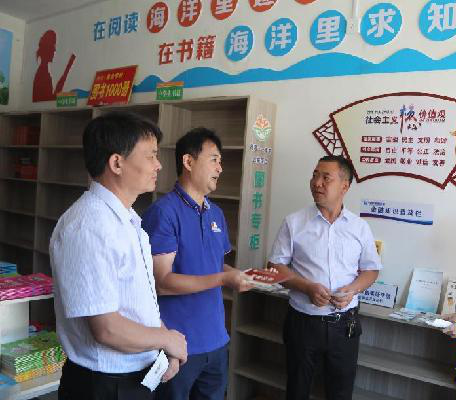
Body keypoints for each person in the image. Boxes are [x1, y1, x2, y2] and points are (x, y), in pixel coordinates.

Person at [50, 112, 187, 400]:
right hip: (103, 386)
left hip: (135, 377)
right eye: (151, 155)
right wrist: (167, 339)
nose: (159, 165)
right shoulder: (88, 226)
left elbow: (139, 305)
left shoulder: (127, 220)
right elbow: (107, 329)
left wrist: (165, 346)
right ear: (116, 163)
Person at [142, 127, 252, 400]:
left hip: (216, 340)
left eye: (220, 161)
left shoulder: (216, 213)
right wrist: (224, 279)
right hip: (178, 345)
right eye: (213, 159)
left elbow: (214, 265)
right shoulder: (163, 212)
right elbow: (162, 282)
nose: (220, 168)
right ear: (188, 161)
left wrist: (239, 275)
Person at [268, 155, 382, 400]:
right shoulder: (294, 222)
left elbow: (371, 270)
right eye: (314, 175)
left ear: (344, 186)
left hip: (345, 324)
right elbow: (275, 266)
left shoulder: (359, 227)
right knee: (297, 389)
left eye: (325, 177)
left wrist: (353, 289)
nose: (316, 182)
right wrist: (306, 287)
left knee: (340, 392)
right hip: (303, 323)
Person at [33, 30, 75, 102]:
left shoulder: (43, 71)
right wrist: (74, 96)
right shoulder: (42, 74)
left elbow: (50, 99)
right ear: (47, 48)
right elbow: (50, 101)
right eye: (53, 45)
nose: (54, 49)